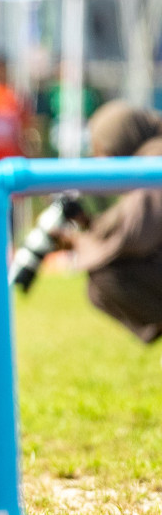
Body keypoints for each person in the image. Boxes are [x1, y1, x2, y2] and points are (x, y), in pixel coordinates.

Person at [65, 102, 162, 343]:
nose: (102, 162)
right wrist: (90, 226)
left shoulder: (155, 157)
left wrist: (80, 243)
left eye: (104, 152)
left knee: (106, 274)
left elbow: (136, 234)